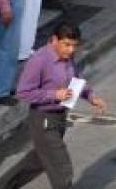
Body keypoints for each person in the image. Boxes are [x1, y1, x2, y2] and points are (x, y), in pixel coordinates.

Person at [16, 21, 106, 189]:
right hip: (43, 120)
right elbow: (23, 92)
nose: (71, 50)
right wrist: (54, 95)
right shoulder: (39, 60)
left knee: (38, 163)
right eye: (66, 45)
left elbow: (75, 79)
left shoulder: (68, 56)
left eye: (74, 46)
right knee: (61, 169)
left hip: (59, 118)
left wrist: (91, 96)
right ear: (54, 40)